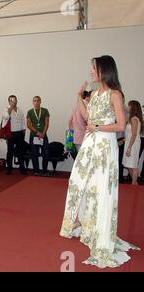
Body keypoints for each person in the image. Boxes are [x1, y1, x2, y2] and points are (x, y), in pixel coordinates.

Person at [60, 55, 139, 269]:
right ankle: (85, 224)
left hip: (104, 145)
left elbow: (121, 125)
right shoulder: (94, 93)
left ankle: (101, 234)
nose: (91, 72)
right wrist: (79, 98)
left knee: (101, 189)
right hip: (90, 143)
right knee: (77, 182)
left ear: (104, 70)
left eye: (93, 68)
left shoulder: (115, 94)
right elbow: (88, 117)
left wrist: (98, 128)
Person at [3, 95, 27, 175]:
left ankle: (22, 169)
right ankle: (9, 168)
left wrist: (24, 130)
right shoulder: (6, 109)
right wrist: (10, 109)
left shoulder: (20, 110)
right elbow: (5, 117)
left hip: (20, 133)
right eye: (12, 100)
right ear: (9, 102)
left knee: (21, 152)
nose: (14, 102)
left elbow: (23, 121)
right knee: (10, 151)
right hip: (11, 133)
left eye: (15, 100)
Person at [27, 96, 50, 177]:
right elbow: (28, 125)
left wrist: (43, 133)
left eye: (38, 101)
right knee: (34, 154)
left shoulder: (45, 111)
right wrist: (37, 133)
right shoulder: (30, 112)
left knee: (46, 153)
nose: (36, 102)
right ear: (33, 102)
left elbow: (47, 123)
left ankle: (45, 171)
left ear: (40, 102)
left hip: (44, 135)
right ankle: (36, 171)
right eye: (34, 101)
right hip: (34, 136)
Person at [123, 100, 143, 186]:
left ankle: (133, 184)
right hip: (129, 143)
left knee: (133, 165)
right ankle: (135, 183)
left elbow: (134, 135)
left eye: (129, 106)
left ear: (133, 107)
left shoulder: (134, 119)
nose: (128, 107)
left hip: (133, 144)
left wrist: (129, 147)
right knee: (128, 164)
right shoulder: (132, 118)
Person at [68, 91, 91, 159]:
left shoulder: (76, 105)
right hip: (84, 135)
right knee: (84, 159)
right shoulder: (86, 105)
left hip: (76, 135)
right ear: (87, 97)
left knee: (79, 159)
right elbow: (87, 119)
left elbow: (70, 121)